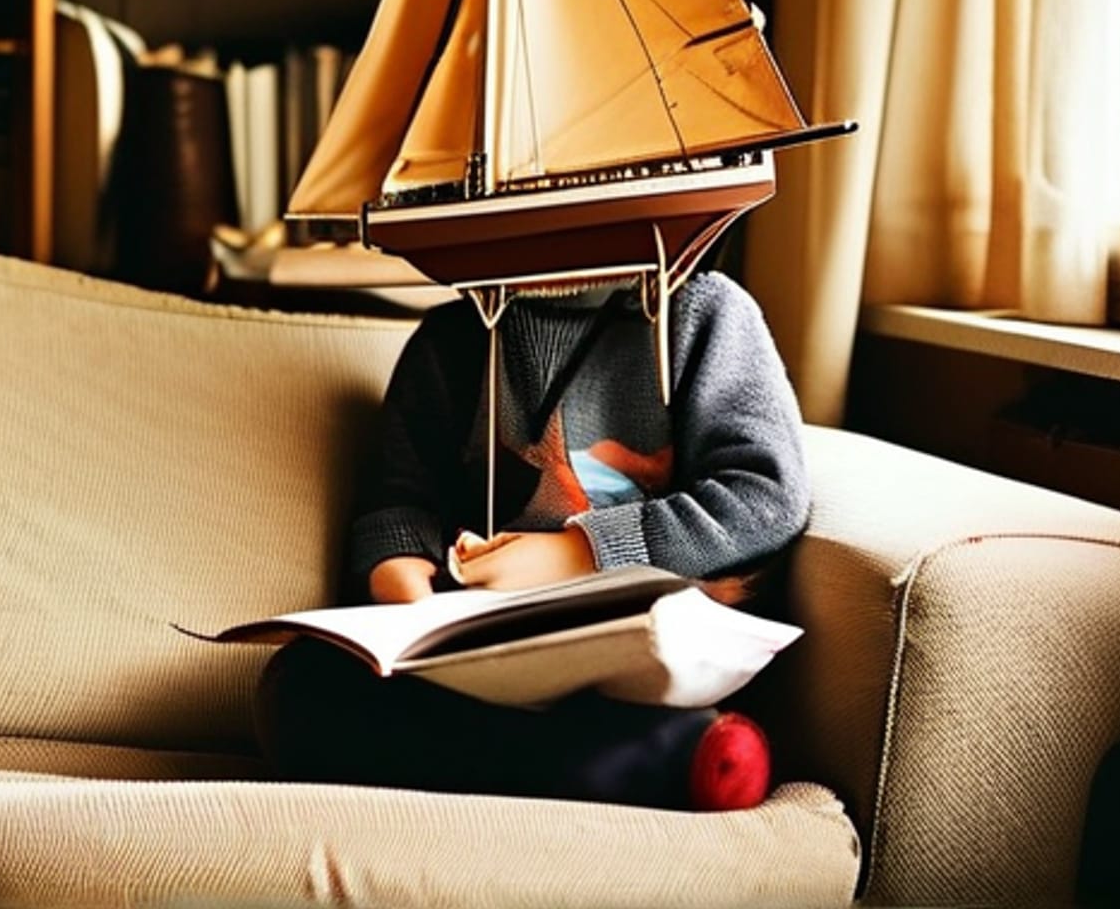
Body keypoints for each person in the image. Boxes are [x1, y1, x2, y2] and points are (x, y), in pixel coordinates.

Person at [254, 270, 810, 812]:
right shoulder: (451, 338)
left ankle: (664, 752)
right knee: (301, 686)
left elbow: (764, 497)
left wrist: (576, 552)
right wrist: (402, 587)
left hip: (637, 646)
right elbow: (397, 496)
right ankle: (640, 760)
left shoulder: (701, 314)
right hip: (479, 652)